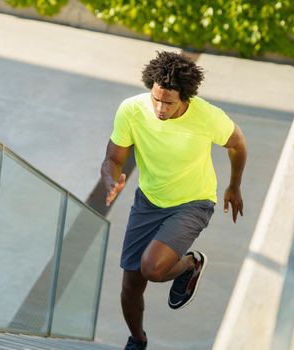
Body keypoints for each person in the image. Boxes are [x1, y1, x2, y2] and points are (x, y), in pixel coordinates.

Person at [101, 51, 247, 349]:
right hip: (148, 201)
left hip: (193, 202)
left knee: (151, 268)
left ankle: (190, 264)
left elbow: (237, 144)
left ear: (186, 99)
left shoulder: (207, 116)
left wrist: (234, 185)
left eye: (168, 102)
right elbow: (113, 158)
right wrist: (111, 179)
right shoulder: (131, 110)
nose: (159, 108)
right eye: (156, 98)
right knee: (130, 285)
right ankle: (137, 340)